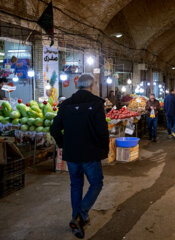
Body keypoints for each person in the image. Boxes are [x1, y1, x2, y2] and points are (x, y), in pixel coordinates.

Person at [50, 73, 109, 239]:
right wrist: (104, 149)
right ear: (91, 86)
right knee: (96, 184)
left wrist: (63, 144)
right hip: (90, 153)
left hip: (72, 154)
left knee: (76, 185)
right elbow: (102, 131)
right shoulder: (97, 104)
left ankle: (77, 220)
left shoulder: (66, 104)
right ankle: (80, 215)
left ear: (78, 85)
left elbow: (54, 129)